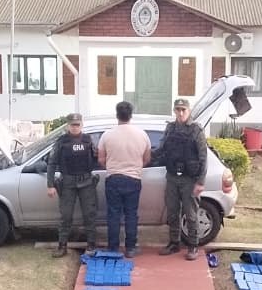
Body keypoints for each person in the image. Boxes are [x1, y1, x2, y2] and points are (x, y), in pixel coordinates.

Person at [97, 100, 152, 257]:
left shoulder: (107, 135)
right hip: (133, 179)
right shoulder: (142, 135)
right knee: (131, 214)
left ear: (117, 115)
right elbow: (147, 159)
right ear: (131, 115)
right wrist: (134, 167)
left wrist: (113, 167)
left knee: (113, 214)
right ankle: (131, 248)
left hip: (113, 178)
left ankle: (113, 248)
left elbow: (101, 159)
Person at [156, 98, 206, 260]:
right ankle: (174, 243)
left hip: (189, 179)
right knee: (172, 212)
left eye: (184, 109)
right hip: (172, 177)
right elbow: (162, 149)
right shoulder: (170, 128)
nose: (181, 112)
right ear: (174, 111)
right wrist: (145, 156)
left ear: (188, 111)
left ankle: (193, 245)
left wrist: (200, 182)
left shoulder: (196, 130)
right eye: (178, 109)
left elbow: (203, 157)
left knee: (191, 214)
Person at [46, 113, 98, 257]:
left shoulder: (88, 140)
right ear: (68, 126)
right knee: (66, 216)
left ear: (81, 125)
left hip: (86, 182)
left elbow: (96, 159)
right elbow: (52, 163)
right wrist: (50, 185)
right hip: (68, 183)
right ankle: (62, 246)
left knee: (89, 215)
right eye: (72, 125)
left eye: (77, 125)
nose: (75, 127)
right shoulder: (61, 141)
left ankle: (91, 245)